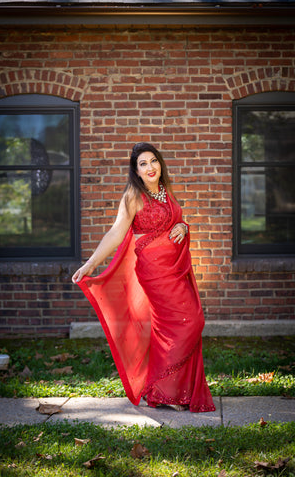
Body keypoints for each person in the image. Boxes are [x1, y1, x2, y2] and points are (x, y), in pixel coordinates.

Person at [72, 142, 215, 413]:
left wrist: (183, 228)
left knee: (191, 321)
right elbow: (116, 233)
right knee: (181, 324)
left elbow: (175, 221)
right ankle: (163, 390)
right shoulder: (133, 196)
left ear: (160, 164)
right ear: (136, 171)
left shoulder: (165, 191)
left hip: (176, 269)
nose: (150, 167)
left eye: (153, 161)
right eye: (143, 164)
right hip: (154, 272)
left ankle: (175, 391)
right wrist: (91, 263)